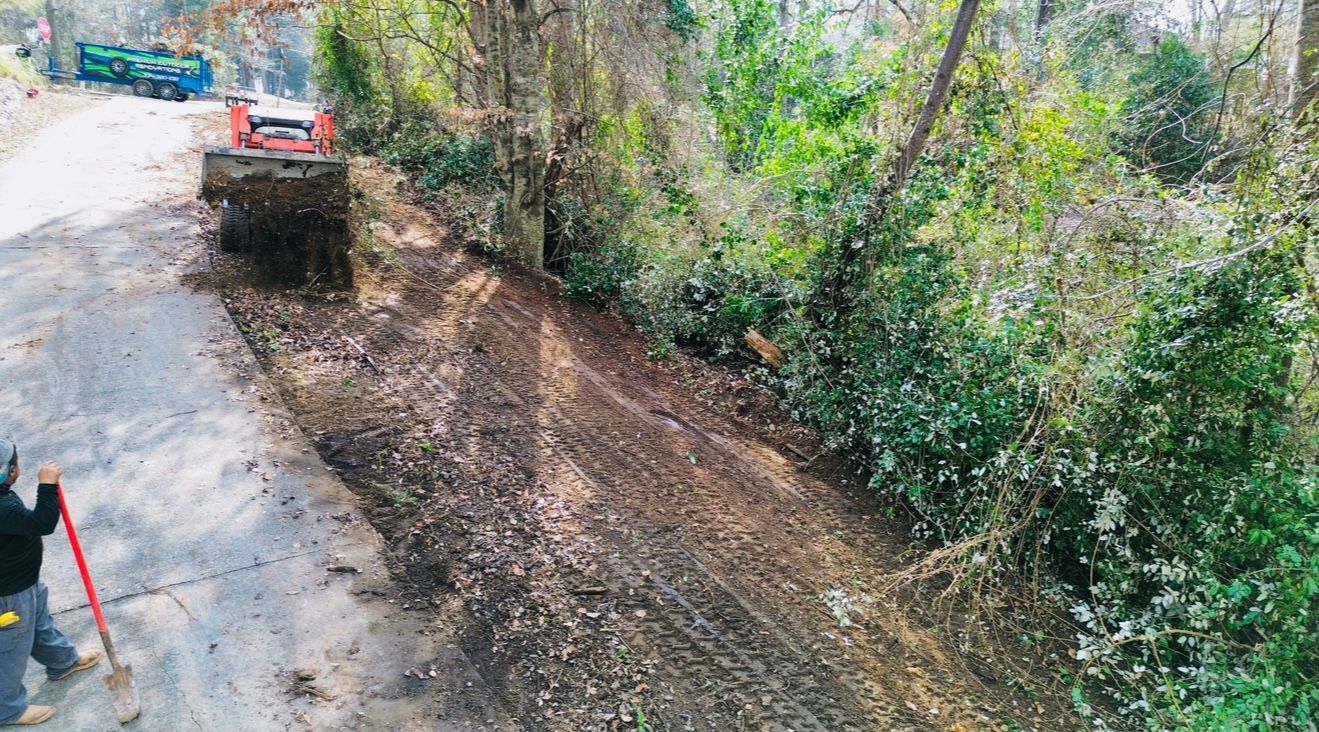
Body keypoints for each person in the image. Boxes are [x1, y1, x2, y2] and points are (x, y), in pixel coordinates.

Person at [0, 440, 100, 726]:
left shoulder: (2, 497)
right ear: (10, 471)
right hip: (8, 595)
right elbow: (41, 523)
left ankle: (61, 661)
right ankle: (7, 709)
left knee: (40, 625)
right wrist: (47, 487)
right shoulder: (2, 507)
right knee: (10, 648)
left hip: (24, 582)